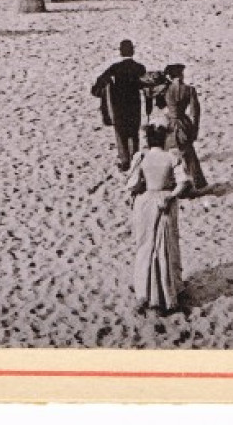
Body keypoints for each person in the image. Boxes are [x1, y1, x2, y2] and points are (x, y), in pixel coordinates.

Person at [125, 123, 191, 316]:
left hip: (145, 204)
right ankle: (166, 293)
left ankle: (144, 292)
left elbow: (133, 185)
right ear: (163, 140)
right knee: (165, 246)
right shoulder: (171, 157)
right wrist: (170, 196)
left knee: (145, 245)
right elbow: (183, 182)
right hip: (164, 201)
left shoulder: (142, 157)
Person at [90, 40, 151, 171]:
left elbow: (96, 88)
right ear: (133, 51)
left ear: (120, 51)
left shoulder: (114, 69)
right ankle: (135, 158)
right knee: (134, 133)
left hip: (118, 107)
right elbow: (146, 86)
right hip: (134, 106)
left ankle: (124, 161)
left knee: (120, 133)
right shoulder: (140, 68)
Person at [153, 63, 207, 191]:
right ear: (181, 75)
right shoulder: (189, 90)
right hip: (184, 122)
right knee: (188, 153)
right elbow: (195, 112)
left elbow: (159, 104)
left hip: (170, 123)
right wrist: (195, 129)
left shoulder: (165, 89)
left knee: (168, 153)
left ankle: (169, 182)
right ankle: (197, 183)